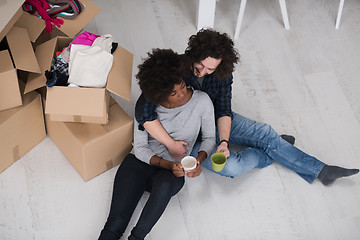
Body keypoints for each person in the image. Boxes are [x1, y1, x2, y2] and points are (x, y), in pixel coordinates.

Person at [135, 28, 359, 186]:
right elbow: (142, 111)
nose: (202, 72)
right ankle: (269, 153)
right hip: (186, 134)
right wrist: (171, 145)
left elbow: (223, 109)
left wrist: (223, 142)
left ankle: (321, 171)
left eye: (209, 69)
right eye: (199, 64)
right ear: (193, 54)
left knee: (264, 132)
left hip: (211, 117)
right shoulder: (175, 68)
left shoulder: (222, 76)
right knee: (232, 167)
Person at [98, 49, 216, 240]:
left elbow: (210, 137)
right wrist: (167, 163)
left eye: (183, 86)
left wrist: (198, 160)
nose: (182, 94)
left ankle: (137, 237)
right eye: (173, 93)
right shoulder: (147, 108)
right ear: (159, 95)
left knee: (164, 184)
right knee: (115, 224)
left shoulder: (202, 101)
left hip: (170, 176)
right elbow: (141, 148)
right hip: (140, 165)